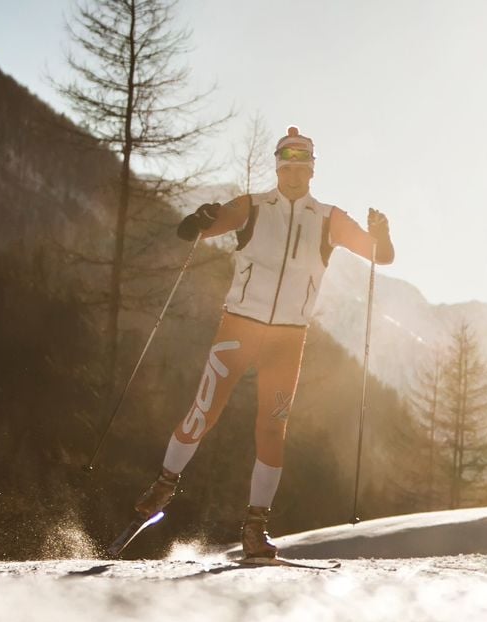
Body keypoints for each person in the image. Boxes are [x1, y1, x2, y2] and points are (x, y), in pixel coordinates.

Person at [115, 126, 395, 561]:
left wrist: (382, 233)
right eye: (288, 164)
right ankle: (164, 485)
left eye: (303, 164)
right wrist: (200, 219)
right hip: (238, 329)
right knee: (204, 410)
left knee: (272, 429)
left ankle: (254, 527)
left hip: (288, 338)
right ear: (278, 167)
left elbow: (381, 256)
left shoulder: (328, 218)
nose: (295, 172)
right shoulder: (252, 207)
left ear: (313, 170)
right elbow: (191, 232)